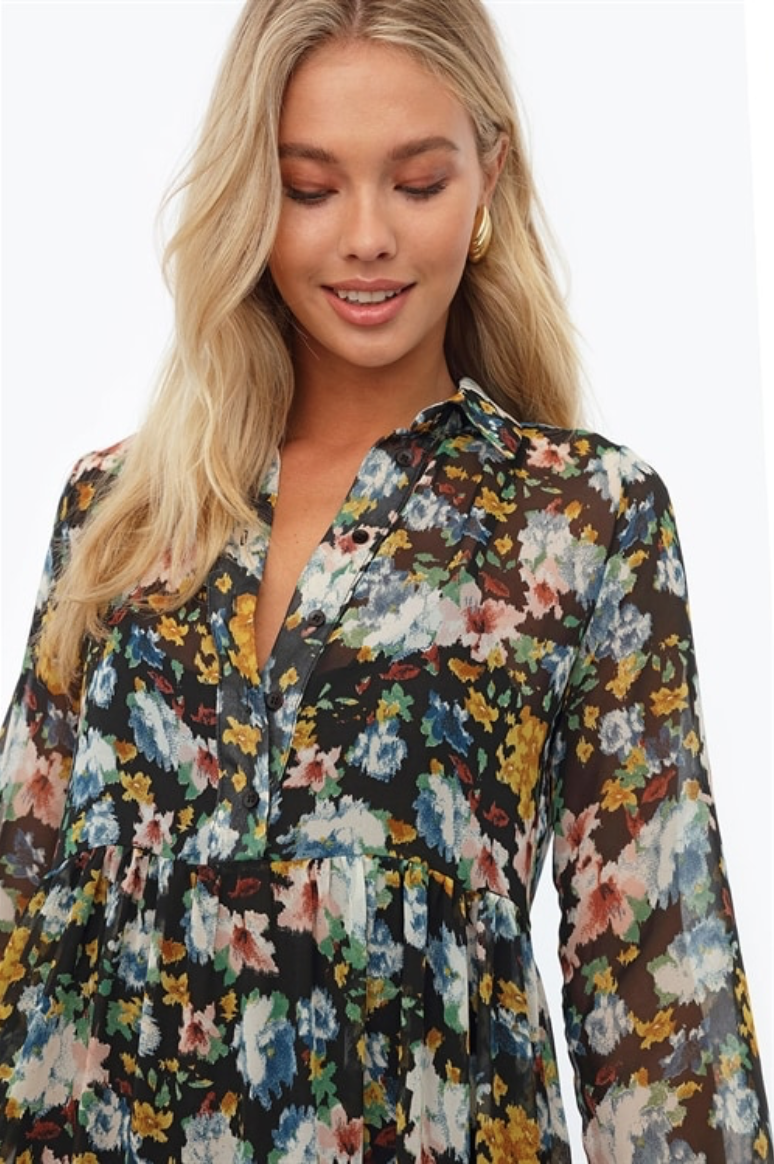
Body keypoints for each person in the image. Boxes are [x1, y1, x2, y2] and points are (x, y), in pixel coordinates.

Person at [0, 0, 770, 1160]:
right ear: (251, 196)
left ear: (487, 179)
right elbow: (21, 915)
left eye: (416, 183)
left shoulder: (578, 522)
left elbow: (661, 997)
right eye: (310, 188)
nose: (366, 237)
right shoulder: (118, 514)